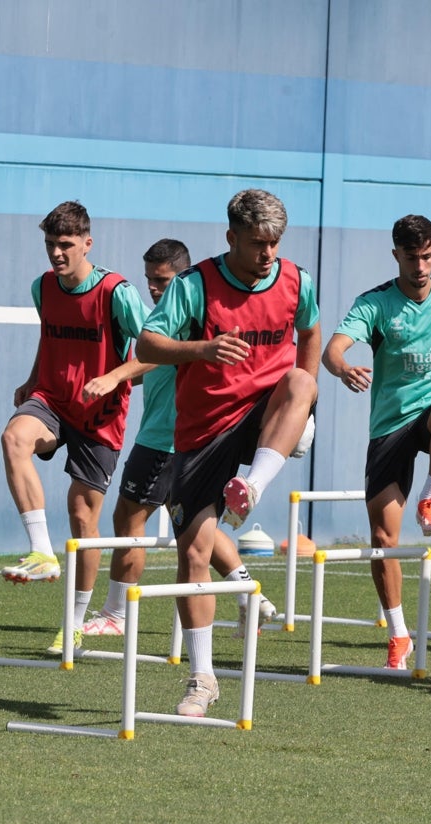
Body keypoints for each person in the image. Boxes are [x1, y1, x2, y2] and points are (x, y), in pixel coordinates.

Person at [137, 189, 319, 717]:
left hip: (264, 412)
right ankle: (203, 680)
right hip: (205, 426)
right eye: (258, 243)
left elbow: (309, 331)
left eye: (275, 243)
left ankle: (255, 484)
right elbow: (147, 346)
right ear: (231, 237)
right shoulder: (196, 287)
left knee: (302, 382)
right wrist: (203, 349)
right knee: (192, 553)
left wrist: (305, 403)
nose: (268, 253)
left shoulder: (296, 281)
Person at [82, 239, 280, 644]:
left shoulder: (187, 313)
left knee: (128, 520)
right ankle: (248, 592)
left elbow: (163, 355)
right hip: (166, 434)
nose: (156, 288)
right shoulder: (165, 318)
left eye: (163, 280)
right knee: (193, 527)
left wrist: (116, 376)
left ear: (182, 277)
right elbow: (152, 362)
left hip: (167, 440)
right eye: (151, 280)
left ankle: (116, 613)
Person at [323, 214, 431, 669]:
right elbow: (332, 350)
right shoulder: (375, 304)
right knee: (383, 537)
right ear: (395, 253)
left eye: (427, 256)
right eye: (411, 257)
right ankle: (399, 633)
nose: (420, 266)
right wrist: (342, 368)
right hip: (390, 428)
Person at [0, 201, 153, 655]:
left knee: (83, 517)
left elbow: (155, 352)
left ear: (88, 242)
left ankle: (74, 622)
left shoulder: (116, 291)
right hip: (53, 398)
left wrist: (114, 377)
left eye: (66, 245)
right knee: (13, 438)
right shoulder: (42, 287)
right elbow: (49, 336)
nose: (57, 254)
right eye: (50, 244)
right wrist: (32, 377)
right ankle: (43, 553)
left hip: (101, 413)